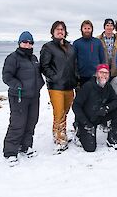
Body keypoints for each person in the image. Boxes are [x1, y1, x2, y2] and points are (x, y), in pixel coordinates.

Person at [2, 31, 44, 166]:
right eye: (25, 42)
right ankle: (10, 152)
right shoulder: (12, 58)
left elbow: (38, 74)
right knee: (18, 123)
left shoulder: (34, 58)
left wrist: (40, 84)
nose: (27, 45)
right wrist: (18, 86)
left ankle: (25, 146)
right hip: (18, 97)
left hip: (33, 96)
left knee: (31, 121)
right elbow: (7, 77)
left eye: (30, 43)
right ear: (19, 43)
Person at [40, 21, 77, 154]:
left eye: (62, 29)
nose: (60, 31)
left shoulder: (70, 47)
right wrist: (54, 78)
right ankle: (60, 139)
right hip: (56, 86)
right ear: (53, 32)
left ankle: (59, 132)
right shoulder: (48, 47)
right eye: (57, 29)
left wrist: (76, 78)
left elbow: (74, 64)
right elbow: (44, 66)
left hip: (69, 85)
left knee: (65, 111)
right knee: (59, 112)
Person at [72, 64, 117, 152]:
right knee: (90, 148)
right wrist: (85, 122)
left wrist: (107, 108)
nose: (104, 75)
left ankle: (113, 138)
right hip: (87, 120)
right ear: (96, 74)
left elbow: (116, 101)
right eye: (101, 72)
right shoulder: (88, 86)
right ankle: (79, 133)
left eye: (106, 73)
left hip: (100, 115)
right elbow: (76, 105)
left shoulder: (108, 86)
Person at [73, 20, 105, 86]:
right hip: (82, 76)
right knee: (83, 95)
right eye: (85, 28)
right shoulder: (76, 43)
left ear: (92, 29)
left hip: (96, 75)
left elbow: (102, 59)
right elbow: (74, 61)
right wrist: (76, 74)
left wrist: (102, 73)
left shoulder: (97, 42)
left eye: (89, 28)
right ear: (81, 29)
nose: (87, 30)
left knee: (96, 95)